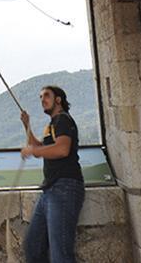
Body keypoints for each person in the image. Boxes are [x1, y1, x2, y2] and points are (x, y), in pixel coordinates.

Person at [19, 85, 86, 263]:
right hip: (51, 190)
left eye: (46, 96)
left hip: (64, 187)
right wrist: (27, 126)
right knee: (34, 246)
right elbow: (42, 148)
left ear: (58, 99)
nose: (42, 99)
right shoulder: (53, 125)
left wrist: (33, 150)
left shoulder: (63, 120)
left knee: (60, 254)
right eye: (40, 97)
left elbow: (62, 149)